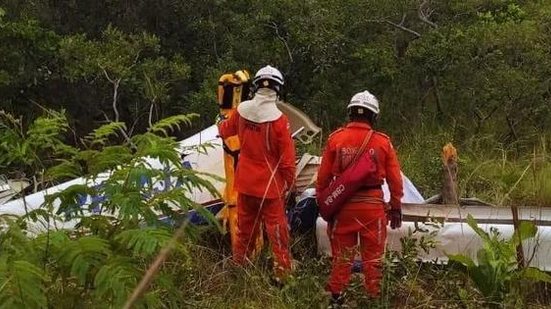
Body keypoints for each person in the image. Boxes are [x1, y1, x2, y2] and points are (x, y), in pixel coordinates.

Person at [315, 90, 403, 303]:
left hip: (343, 207)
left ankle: (336, 298)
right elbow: (395, 179)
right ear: (374, 116)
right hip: (372, 209)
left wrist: (326, 205)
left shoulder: (335, 139)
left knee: (342, 259)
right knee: (373, 260)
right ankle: (374, 299)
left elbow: (322, 179)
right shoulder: (382, 142)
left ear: (350, 114)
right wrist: (396, 205)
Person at [217, 65, 295, 281]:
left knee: (244, 232)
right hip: (271, 189)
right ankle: (282, 276)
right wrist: (291, 186)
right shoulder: (280, 121)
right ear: (278, 89)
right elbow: (287, 162)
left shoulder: (242, 111)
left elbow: (224, 130)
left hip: (245, 184)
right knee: (278, 234)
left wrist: (222, 116)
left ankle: (238, 270)